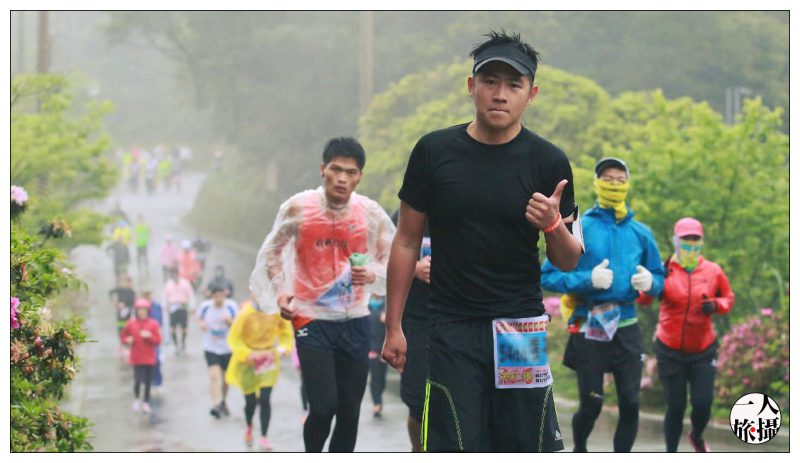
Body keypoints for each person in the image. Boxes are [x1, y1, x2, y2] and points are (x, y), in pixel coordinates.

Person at [381, 31, 583, 452]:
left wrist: (552, 226)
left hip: (519, 327)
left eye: (514, 84)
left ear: (532, 94)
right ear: (471, 85)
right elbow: (406, 241)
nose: (500, 94)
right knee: (456, 442)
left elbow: (567, 261)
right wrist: (394, 325)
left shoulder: (548, 161)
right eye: (490, 81)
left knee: (524, 443)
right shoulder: (434, 152)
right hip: (452, 326)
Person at [249, 137, 395, 452]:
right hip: (310, 318)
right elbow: (273, 252)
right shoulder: (298, 207)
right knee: (323, 406)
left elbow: (394, 261)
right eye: (336, 170)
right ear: (322, 170)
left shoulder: (369, 213)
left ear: (359, 177)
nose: (342, 178)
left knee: (350, 411)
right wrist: (281, 292)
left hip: (355, 319)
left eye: (351, 172)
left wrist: (372, 274)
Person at [541, 156, 665, 452]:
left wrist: (651, 282)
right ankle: (580, 449)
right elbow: (548, 275)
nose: (614, 185)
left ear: (627, 185)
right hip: (589, 327)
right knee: (592, 403)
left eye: (620, 180)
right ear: (597, 183)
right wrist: (587, 279)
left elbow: (660, 277)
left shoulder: (641, 233)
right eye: (608, 179)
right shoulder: (582, 226)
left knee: (631, 403)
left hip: (627, 327)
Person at [640, 218, 734, 452]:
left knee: (703, 403)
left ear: (701, 242)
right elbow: (644, 301)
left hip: (703, 348)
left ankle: (697, 435)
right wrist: (649, 282)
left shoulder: (713, 271)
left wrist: (715, 305)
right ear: (676, 241)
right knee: (676, 406)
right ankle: (671, 452)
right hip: (669, 348)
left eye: (695, 240)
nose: (690, 245)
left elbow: (728, 299)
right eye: (686, 240)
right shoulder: (663, 270)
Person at [226, 292, 294, 451]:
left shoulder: (275, 312)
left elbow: (286, 333)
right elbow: (234, 339)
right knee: (250, 401)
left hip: (268, 358)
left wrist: (283, 348)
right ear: (253, 294)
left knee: (265, 398)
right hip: (248, 361)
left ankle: (264, 436)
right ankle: (249, 425)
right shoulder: (245, 314)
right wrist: (248, 354)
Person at [390, 209, 431, 451]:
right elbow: (384, 256)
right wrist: (414, 269)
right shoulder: (406, 213)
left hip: (455, 318)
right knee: (417, 402)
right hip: (415, 321)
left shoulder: (461, 205)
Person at [197, 286, 238, 418]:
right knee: (214, 377)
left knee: (226, 380)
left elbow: (239, 325)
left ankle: (223, 401)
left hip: (227, 348)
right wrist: (201, 325)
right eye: (217, 296)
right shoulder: (205, 307)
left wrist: (230, 321)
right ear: (212, 296)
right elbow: (198, 319)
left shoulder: (231, 306)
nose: (219, 299)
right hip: (211, 348)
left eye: (222, 296)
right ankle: (216, 404)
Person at [120, 298, 162, 414]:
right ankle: (137, 399)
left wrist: (149, 336)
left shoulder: (153, 324)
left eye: (144, 310)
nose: (142, 312)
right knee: (138, 379)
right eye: (140, 310)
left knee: (148, 380)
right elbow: (123, 335)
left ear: (148, 311)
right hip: (137, 357)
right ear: (137, 311)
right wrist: (127, 339)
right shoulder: (131, 323)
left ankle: (146, 402)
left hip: (149, 357)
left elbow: (158, 340)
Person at [162, 267, 196, 355]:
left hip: (182, 306)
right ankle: (176, 345)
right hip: (173, 307)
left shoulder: (185, 283)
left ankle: (183, 343)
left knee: (184, 328)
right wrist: (164, 306)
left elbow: (191, 295)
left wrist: (192, 306)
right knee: (172, 328)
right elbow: (165, 296)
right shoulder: (168, 284)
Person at [366, 294, 388, 418]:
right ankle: (377, 403)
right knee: (375, 378)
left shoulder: (387, 305)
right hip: (371, 348)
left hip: (384, 348)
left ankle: (379, 398)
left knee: (382, 380)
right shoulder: (366, 305)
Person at [142, 290, 165, 389]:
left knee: (156, 359)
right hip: (144, 338)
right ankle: (148, 381)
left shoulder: (156, 306)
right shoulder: (140, 308)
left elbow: (160, 321)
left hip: (154, 336)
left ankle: (157, 382)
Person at [109, 274, 136, 345]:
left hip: (128, 313)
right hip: (120, 313)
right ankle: (122, 343)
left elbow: (132, 302)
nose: (128, 284)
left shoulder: (132, 292)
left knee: (128, 328)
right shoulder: (120, 290)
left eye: (129, 282)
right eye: (126, 282)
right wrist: (115, 303)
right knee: (120, 328)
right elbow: (110, 292)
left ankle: (128, 343)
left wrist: (125, 304)